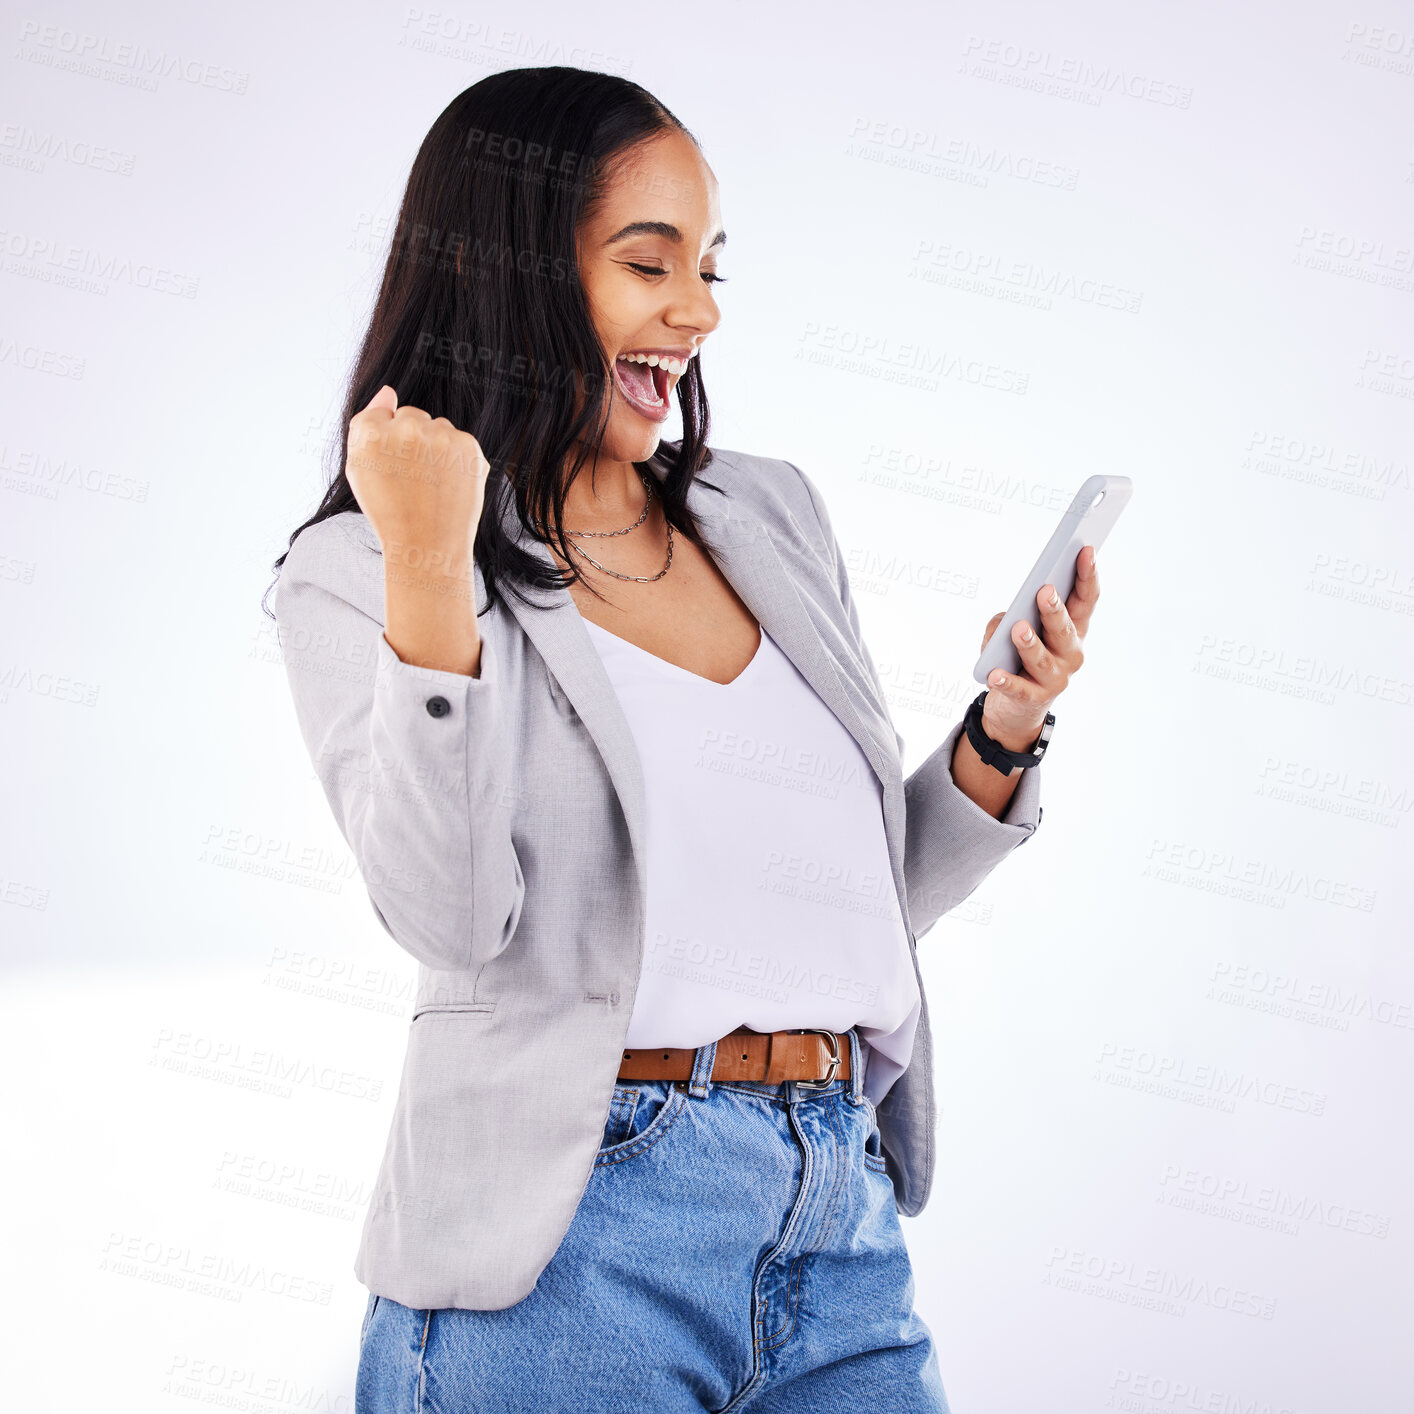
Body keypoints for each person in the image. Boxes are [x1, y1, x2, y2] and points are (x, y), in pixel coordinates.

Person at [267, 65, 1098, 1413]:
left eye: (710, 265)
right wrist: (430, 566)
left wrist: (1000, 731)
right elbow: (449, 911)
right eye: (648, 263)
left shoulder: (764, 513)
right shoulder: (360, 567)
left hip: (833, 1217)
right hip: (566, 1241)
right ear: (511, 271)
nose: (698, 312)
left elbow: (851, 900)